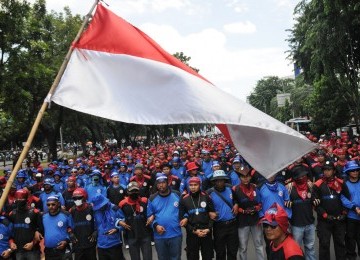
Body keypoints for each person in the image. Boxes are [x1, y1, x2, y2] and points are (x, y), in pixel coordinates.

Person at [312, 160, 347, 260]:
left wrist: (344, 213)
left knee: (340, 244)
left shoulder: (340, 183)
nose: (327, 172)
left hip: (339, 220)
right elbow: (315, 204)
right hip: (324, 221)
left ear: (334, 171)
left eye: (329, 169)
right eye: (325, 170)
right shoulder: (317, 185)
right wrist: (325, 215)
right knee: (324, 245)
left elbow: (346, 199)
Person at [147, 173, 182, 260]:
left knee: (176, 258)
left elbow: (184, 211)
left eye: (163, 182)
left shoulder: (177, 194)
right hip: (159, 236)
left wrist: (184, 218)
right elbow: (149, 216)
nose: (161, 185)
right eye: (158, 183)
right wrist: (156, 225)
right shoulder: (152, 198)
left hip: (175, 234)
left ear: (167, 183)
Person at [179, 176, 215, 260]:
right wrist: (194, 231)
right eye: (191, 185)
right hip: (192, 232)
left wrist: (209, 228)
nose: (193, 187)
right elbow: (181, 218)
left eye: (195, 185)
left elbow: (212, 215)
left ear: (200, 185)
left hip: (206, 231)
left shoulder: (206, 197)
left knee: (208, 256)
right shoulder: (184, 199)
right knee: (192, 256)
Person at [286, 165, 316, 260]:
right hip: (296, 225)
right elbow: (284, 203)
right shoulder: (289, 187)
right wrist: (286, 203)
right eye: (300, 176)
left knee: (310, 247)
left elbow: (315, 199)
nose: (302, 178)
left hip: (310, 223)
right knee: (296, 249)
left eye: (304, 175)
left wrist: (316, 200)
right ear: (295, 178)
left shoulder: (310, 185)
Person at [207, 170, 239, 260]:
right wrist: (209, 212)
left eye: (221, 180)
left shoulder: (230, 189)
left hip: (232, 224)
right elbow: (205, 208)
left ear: (225, 180)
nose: (220, 182)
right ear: (214, 181)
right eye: (217, 180)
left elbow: (236, 200)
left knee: (232, 251)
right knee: (220, 252)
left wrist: (236, 204)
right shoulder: (209, 193)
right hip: (219, 226)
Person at [233, 171, 264, 260]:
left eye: (247, 176)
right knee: (243, 247)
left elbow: (260, 202)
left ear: (250, 177)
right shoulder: (235, 189)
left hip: (255, 220)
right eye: (243, 176)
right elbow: (234, 204)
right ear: (240, 178)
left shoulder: (255, 187)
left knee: (259, 245)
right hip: (242, 221)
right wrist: (243, 211)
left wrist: (257, 208)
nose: (245, 178)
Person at [117, 181, 152, 260]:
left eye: (136, 190)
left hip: (145, 234)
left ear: (139, 191)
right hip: (131, 235)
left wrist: (151, 217)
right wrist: (120, 222)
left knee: (148, 258)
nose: (134, 193)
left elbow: (151, 212)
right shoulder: (122, 204)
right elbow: (118, 217)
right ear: (128, 192)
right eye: (132, 191)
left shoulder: (145, 201)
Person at [8, 189, 42, 260]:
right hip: (18, 251)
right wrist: (11, 242)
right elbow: (9, 232)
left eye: (21, 199)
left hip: (33, 251)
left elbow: (42, 232)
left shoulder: (35, 213)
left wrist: (33, 243)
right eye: (17, 199)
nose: (19, 201)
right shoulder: (12, 214)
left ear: (26, 200)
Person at [91, 194, 125, 260]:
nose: (100, 208)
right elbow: (94, 225)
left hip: (114, 243)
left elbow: (124, 222)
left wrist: (117, 229)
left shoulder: (115, 208)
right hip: (101, 245)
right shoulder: (95, 212)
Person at [41, 196, 73, 260]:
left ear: (58, 204)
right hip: (49, 251)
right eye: (48, 205)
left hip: (63, 251)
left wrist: (66, 241)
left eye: (53, 204)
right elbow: (39, 230)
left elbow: (73, 230)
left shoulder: (66, 215)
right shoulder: (43, 216)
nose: (50, 206)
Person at [69, 188, 97, 260]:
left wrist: (96, 231)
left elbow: (97, 221)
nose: (77, 200)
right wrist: (70, 233)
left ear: (84, 197)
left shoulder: (91, 209)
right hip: (78, 244)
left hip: (90, 243)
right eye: (75, 198)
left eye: (79, 198)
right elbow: (67, 224)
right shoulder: (71, 211)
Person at [340, 161, 360, 260]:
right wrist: (354, 208)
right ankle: (351, 256)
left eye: (357, 170)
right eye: (353, 170)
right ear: (348, 172)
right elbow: (342, 198)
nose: (355, 172)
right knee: (350, 238)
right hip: (351, 216)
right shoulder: (345, 184)